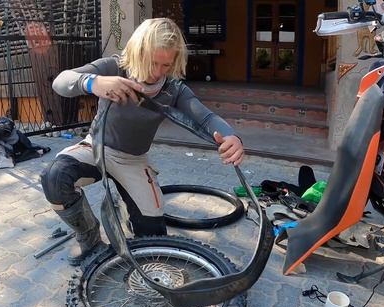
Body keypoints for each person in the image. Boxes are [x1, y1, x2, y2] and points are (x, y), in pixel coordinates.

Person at [40, 18, 244, 266]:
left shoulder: (173, 89)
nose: (156, 72)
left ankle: (129, 210)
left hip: (134, 161)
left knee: (154, 243)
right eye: (151, 62)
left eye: (165, 65)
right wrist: (92, 83)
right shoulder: (114, 67)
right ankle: (89, 239)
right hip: (96, 148)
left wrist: (232, 137)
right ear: (137, 52)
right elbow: (61, 81)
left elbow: (206, 117)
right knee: (54, 177)